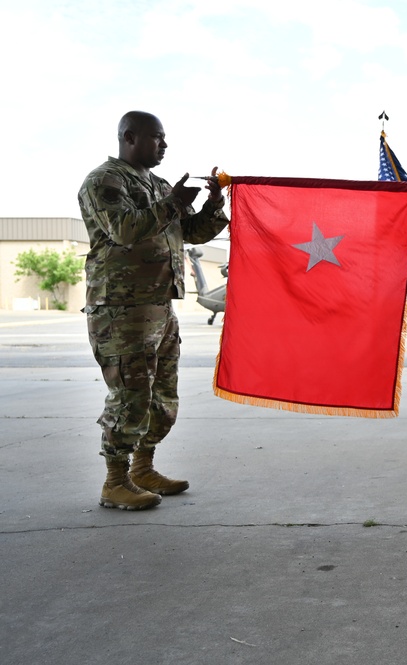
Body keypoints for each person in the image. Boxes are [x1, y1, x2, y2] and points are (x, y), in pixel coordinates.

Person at [78, 111, 229, 510]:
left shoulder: (158, 184)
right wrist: (172, 203)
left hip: (159, 306)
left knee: (162, 396)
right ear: (130, 137)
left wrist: (213, 204)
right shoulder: (104, 181)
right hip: (121, 309)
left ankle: (142, 469)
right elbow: (124, 230)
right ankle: (115, 481)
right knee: (130, 396)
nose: (164, 145)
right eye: (157, 138)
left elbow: (191, 233)